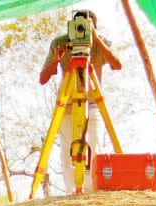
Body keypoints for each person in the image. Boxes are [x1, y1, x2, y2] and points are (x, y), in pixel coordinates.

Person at [39, 10, 122, 195]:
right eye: (77, 26)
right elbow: (43, 78)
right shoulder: (60, 43)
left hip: (93, 102)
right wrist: (56, 60)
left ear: (94, 27)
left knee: (94, 143)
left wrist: (96, 38)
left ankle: (92, 190)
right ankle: (72, 192)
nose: (81, 30)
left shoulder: (101, 43)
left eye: (86, 26)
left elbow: (117, 64)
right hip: (67, 104)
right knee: (69, 148)